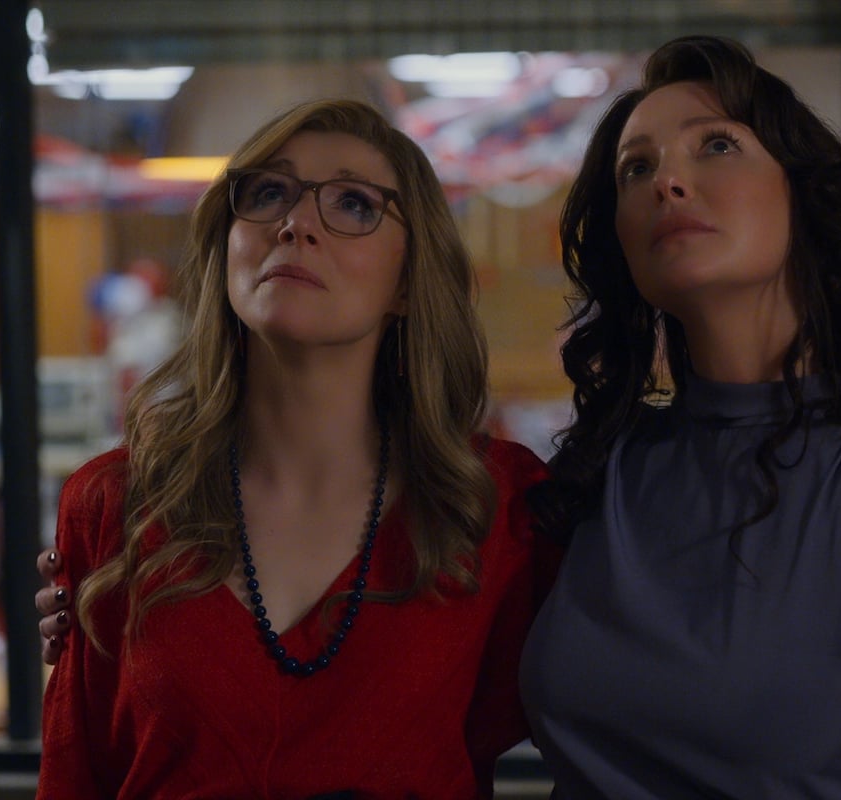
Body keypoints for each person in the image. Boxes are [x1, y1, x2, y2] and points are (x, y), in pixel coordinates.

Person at [517, 35, 841, 798]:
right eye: (637, 168)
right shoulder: (599, 481)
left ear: (805, 195)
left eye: (716, 145)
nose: (668, 183)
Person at [35, 98, 558, 800]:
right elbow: (73, 776)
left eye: (354, 203)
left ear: (408, 281)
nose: (295, 223)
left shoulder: (495, 508)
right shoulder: (115, 502)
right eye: (267, 192)